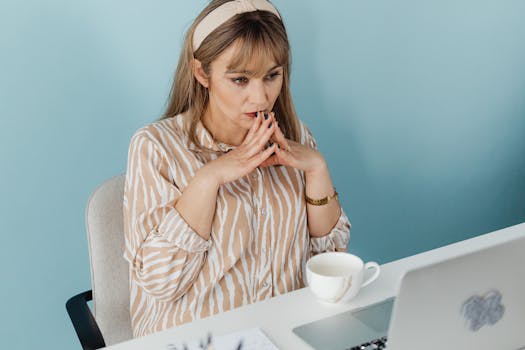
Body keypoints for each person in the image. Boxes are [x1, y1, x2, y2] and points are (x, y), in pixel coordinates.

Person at [123, 0, 351, 337]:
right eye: (240, 80)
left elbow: (329, 263)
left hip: (285, 335)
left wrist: (317, 169)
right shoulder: (156, 147)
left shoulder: (296, 136)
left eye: (272, 76)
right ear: (202, 73)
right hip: (193, 341)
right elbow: (161, 283)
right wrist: (210, 177)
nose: (260, 98)